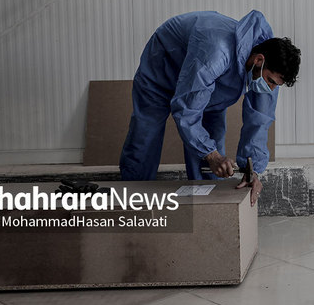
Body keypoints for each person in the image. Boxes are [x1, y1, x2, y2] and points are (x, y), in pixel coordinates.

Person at [119, 10, 301, 206]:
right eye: (270, 82)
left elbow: (259, 120)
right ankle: (134, 199)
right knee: (146, 131)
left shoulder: (267, 69)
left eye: (276, 85)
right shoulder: (217, 53)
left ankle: (207, 209)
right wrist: (211, 155)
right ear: (258, 60)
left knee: (212, 141)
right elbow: (186, 110)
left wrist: (252, 170)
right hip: (164, 65)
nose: (271, 89)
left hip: (208, 79)